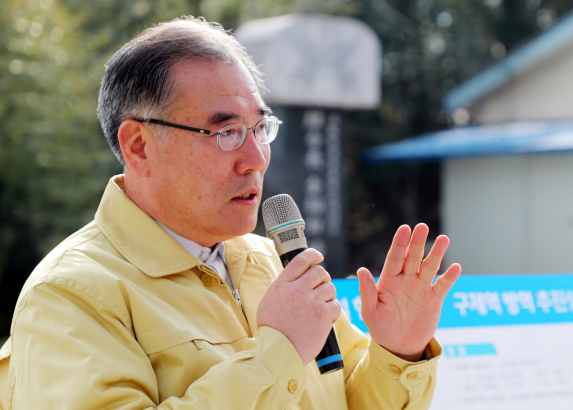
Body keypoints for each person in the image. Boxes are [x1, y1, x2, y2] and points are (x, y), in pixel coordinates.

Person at [0, 16, 461, 410]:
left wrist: (398, 351)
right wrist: (276, 354)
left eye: (260, 128)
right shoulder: (70, 293)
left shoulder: (270, 260)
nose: (256, 158)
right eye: (226, 133)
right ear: (139, 146)